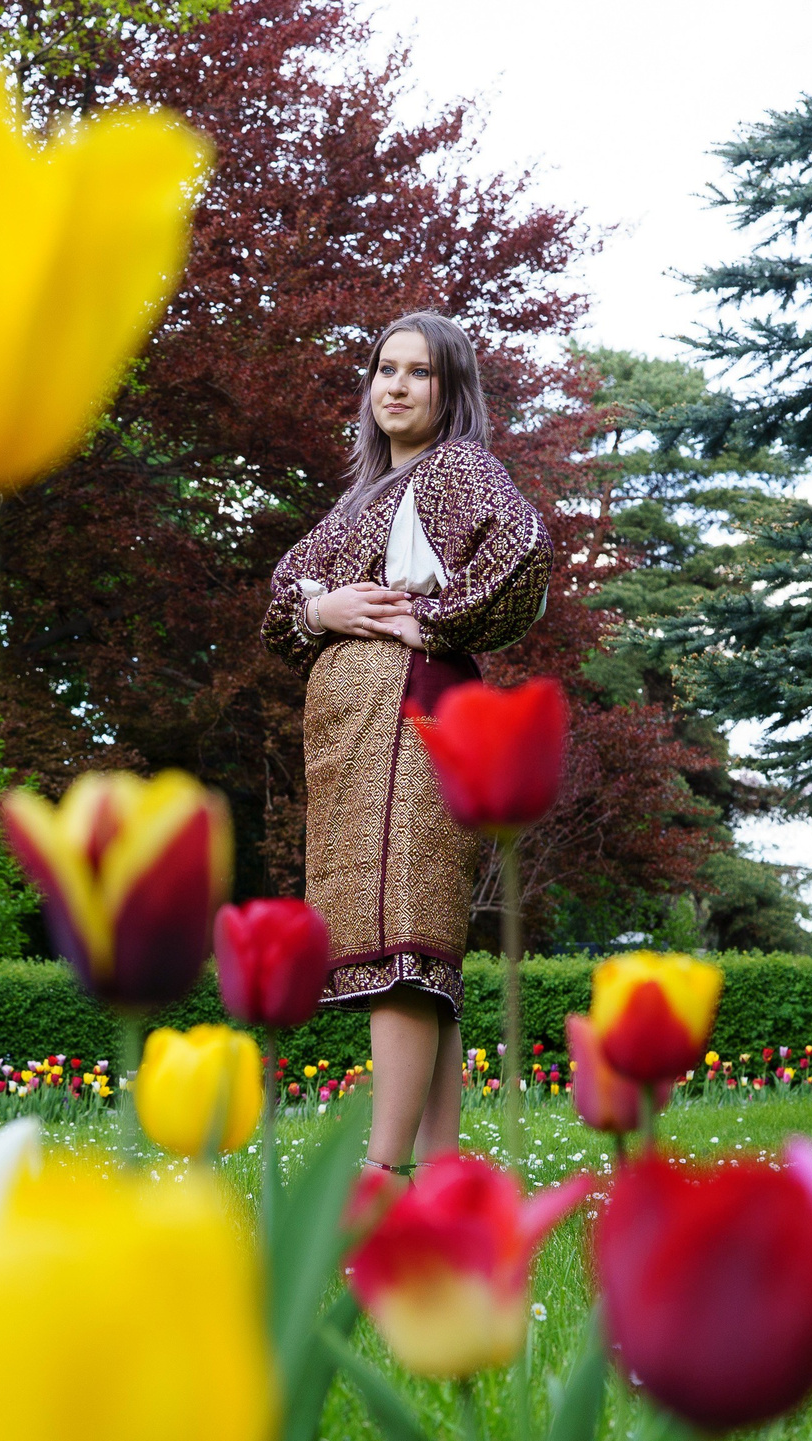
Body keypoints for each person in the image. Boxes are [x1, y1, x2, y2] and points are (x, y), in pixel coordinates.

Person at [260, 311, 553, 1171]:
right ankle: (442, 1171)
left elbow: (525, 548)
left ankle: (381, 1170)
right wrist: (324, 609)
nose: (394, 384)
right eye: (384, 368)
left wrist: (425, 618)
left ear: (450, 388)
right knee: (413, 947)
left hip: (410, 714)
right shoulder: (364, 498)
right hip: (357, 732)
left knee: (405, 944)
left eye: (418, 372)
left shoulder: (456, 468)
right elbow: (281, 600)